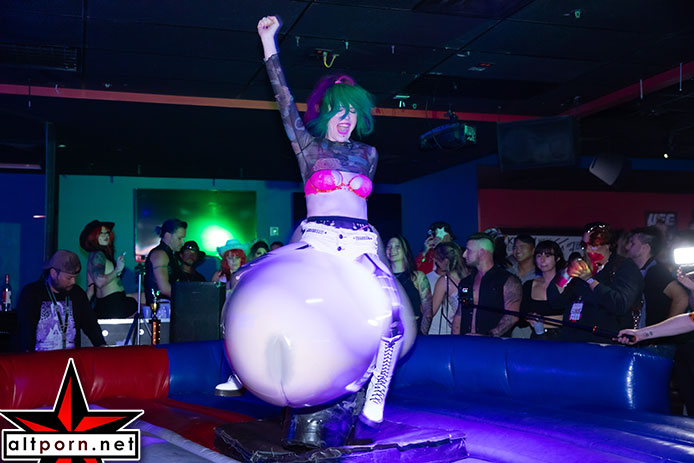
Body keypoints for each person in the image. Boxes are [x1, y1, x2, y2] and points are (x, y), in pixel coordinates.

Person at [257, 15, 404, 444]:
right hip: (319, 239)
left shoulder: (368, 154)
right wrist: (269, 42)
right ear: (326, 112)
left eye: (353, 111)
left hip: (360, 240)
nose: (346, 117)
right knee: (280, 295)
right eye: (339, 109)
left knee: (393, 317)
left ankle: (376, 394)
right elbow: (282, 97)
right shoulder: (308, 146)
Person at [548, 223, 644, 343]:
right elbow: (556, 301)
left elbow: (620, 304)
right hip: (573, 340)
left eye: (593, 245)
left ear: (608, 245)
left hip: (606, 342)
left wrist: (590, 280)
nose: (587, 250)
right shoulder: (582, 266)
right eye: (584, 245)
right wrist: (565, 274)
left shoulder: (624, 267)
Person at [17, 250, 106, 351]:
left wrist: (101, 345)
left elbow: (91, 324)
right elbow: (25, 329)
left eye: (75, 278)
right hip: (39, 358)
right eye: (69, 278)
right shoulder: (32, 293)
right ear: (53, 273)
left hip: (70, 359)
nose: (73, 282)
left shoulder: (77, 294)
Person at [454, 233, 521, 336]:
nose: (464, 255)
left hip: (493, 343)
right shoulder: (466, 282)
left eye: (469, 250)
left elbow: (512, 317)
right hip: (466, 341)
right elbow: (460, 313)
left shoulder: (508, 280)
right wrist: (455, 340)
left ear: (481, 252)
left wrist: (488, 336)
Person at [625, 227, 689, 331]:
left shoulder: (656, 271)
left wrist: (666, 330)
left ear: (644, 248)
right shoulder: (638, 270)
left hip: (655, 339)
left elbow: (682, 298)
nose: (627, 246)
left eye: (632, 243)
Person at [79, 220, 137, 319]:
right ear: (93, 236)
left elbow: (90, 289)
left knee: (140, 299)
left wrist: (81, 312)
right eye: (101, 233)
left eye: (107, 233)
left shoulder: (93, 257)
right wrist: (117, 270)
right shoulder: (98, 255)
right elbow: (99, 281)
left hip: (106, 304)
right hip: (114, 305)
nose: (105, 236)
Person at [385, 234, 432, 334]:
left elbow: (428, 311)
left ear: (405, 250)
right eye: (389, 247)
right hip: (389, 333)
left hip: (412, 331)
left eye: (397, 246)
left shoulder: (417, 277)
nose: (392, 250)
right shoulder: (383, 277)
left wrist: (422, 334)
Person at [521, 240, 566, 340]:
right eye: (539, 256)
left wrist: (545, 321)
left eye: (548, 256)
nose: (542, 260)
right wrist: (529, 317)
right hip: (537, 337)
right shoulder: (529, 285)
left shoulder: (568, 284)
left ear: (557, 258)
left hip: (563, 338)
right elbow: (521, 316)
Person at [426, 242, 468, 335]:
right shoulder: (469, 275)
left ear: (445, 261)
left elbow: (430, 312)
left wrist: (423, 298)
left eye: (437, 259)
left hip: (456, 331)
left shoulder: (444, 281)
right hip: (469, 329)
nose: (435, 262)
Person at [144, 219, 187, 304]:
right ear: (167, 236)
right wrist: (189, 297)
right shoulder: (160, 254)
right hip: (161, 307)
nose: (182, 242)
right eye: (179, 238)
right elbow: (164, 289)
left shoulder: (169, 255)